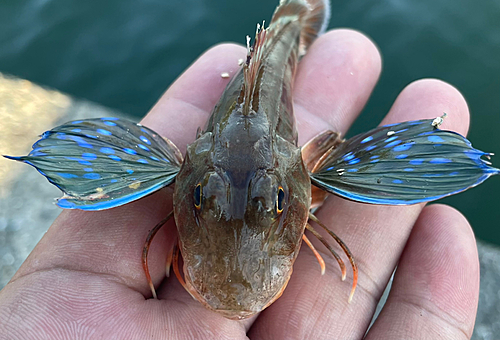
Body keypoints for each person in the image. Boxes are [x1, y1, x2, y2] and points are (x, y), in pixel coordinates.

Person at [0, 30, 479, 339]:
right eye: (203, 199)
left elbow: (325, 142)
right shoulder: (199, 173)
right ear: (182, 172)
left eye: (273, 203)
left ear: (304, 175)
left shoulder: (301, 168)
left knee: (289, 45)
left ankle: (293, 28)